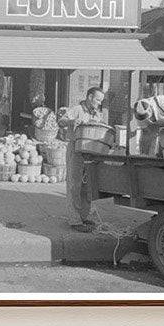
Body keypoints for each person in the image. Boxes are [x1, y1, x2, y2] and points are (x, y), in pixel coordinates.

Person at [59, 87, 106, 232]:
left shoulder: (97, 113)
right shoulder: (77, 109)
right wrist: (72, 121)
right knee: (74, 185)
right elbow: (61, 121)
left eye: (101, 101)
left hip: (90, 152)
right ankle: (74, 220)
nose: (99, 103)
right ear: (90, 97)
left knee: (87, 187)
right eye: (97, 100)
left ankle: (84, 216)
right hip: (76, 149)